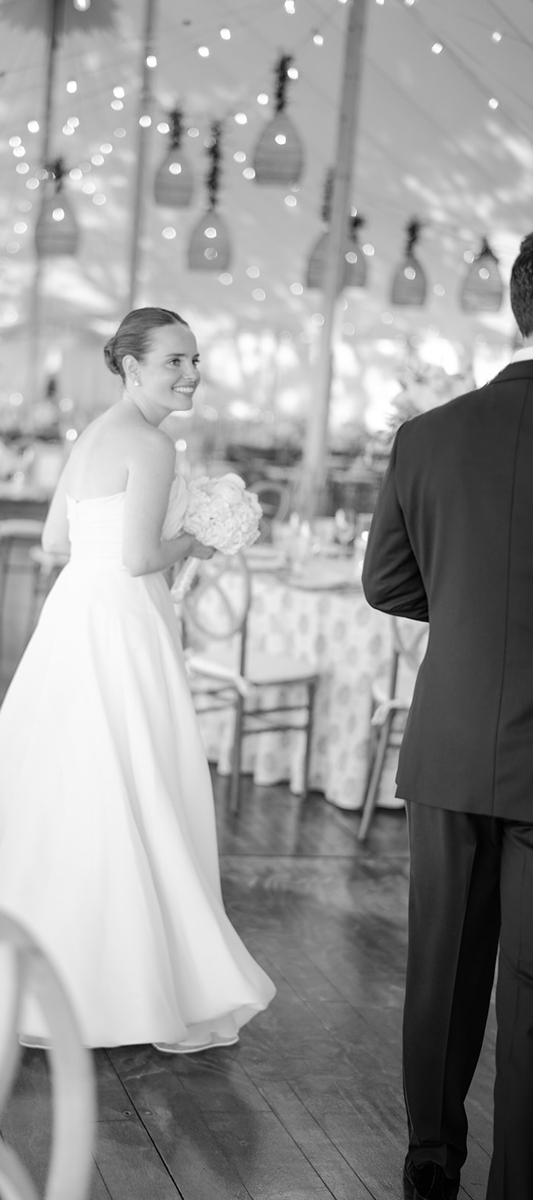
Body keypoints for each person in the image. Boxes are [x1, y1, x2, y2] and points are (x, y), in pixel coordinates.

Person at [0, 306, 275, 1052]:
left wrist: (172, 537)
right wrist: (202, 535)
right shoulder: (152, 444)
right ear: (132, 365)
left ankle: (34, 962)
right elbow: (141, 559)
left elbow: (54, 539)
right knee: (129, 780)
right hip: (122, 621)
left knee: (64, 781)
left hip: (75, 614)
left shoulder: (94, 438)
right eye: (174, 361)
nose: (190, 374)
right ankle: (120, 980)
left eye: (195, 360)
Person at [362, 234, 533, 1200]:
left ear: (517, 306)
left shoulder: (427, 435)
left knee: (442, 963)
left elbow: (387, 581)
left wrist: (468, 604)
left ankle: (430, 1156)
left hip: (453, 741)